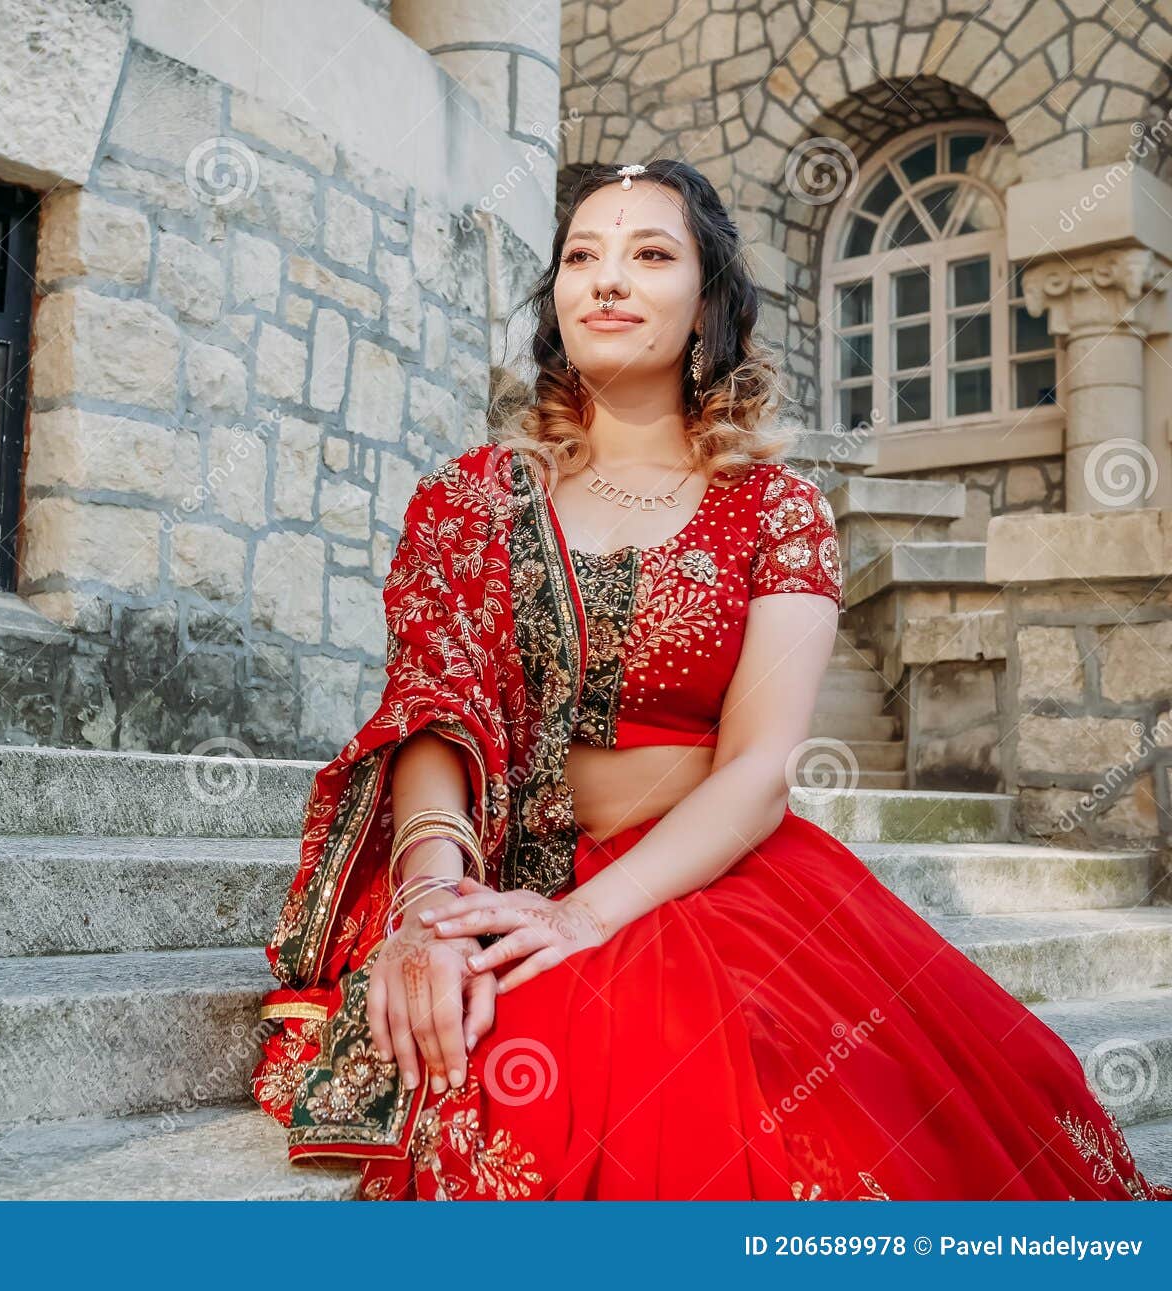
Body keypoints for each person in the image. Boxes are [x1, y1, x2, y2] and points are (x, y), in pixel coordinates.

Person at [249, 159, 1172, 1202]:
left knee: (767, 1090)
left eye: (650, 255)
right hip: (491, 860)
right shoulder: (470, 498)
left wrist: (582, 919)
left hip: (702, 873)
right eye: (580, 256)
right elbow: (431, 718)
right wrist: (427, 898)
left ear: (709, 306)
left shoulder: (771, 511)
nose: (607, 280)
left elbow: (756, 769)